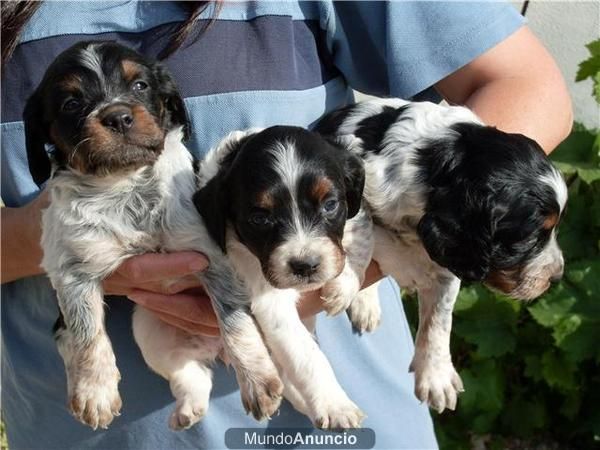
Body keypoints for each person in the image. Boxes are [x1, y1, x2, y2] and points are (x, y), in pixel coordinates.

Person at [1, 1, 572, 449]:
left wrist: (357, 264)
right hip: (95, 429)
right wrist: (49, 241)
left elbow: (529, 87)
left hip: (348, 408)